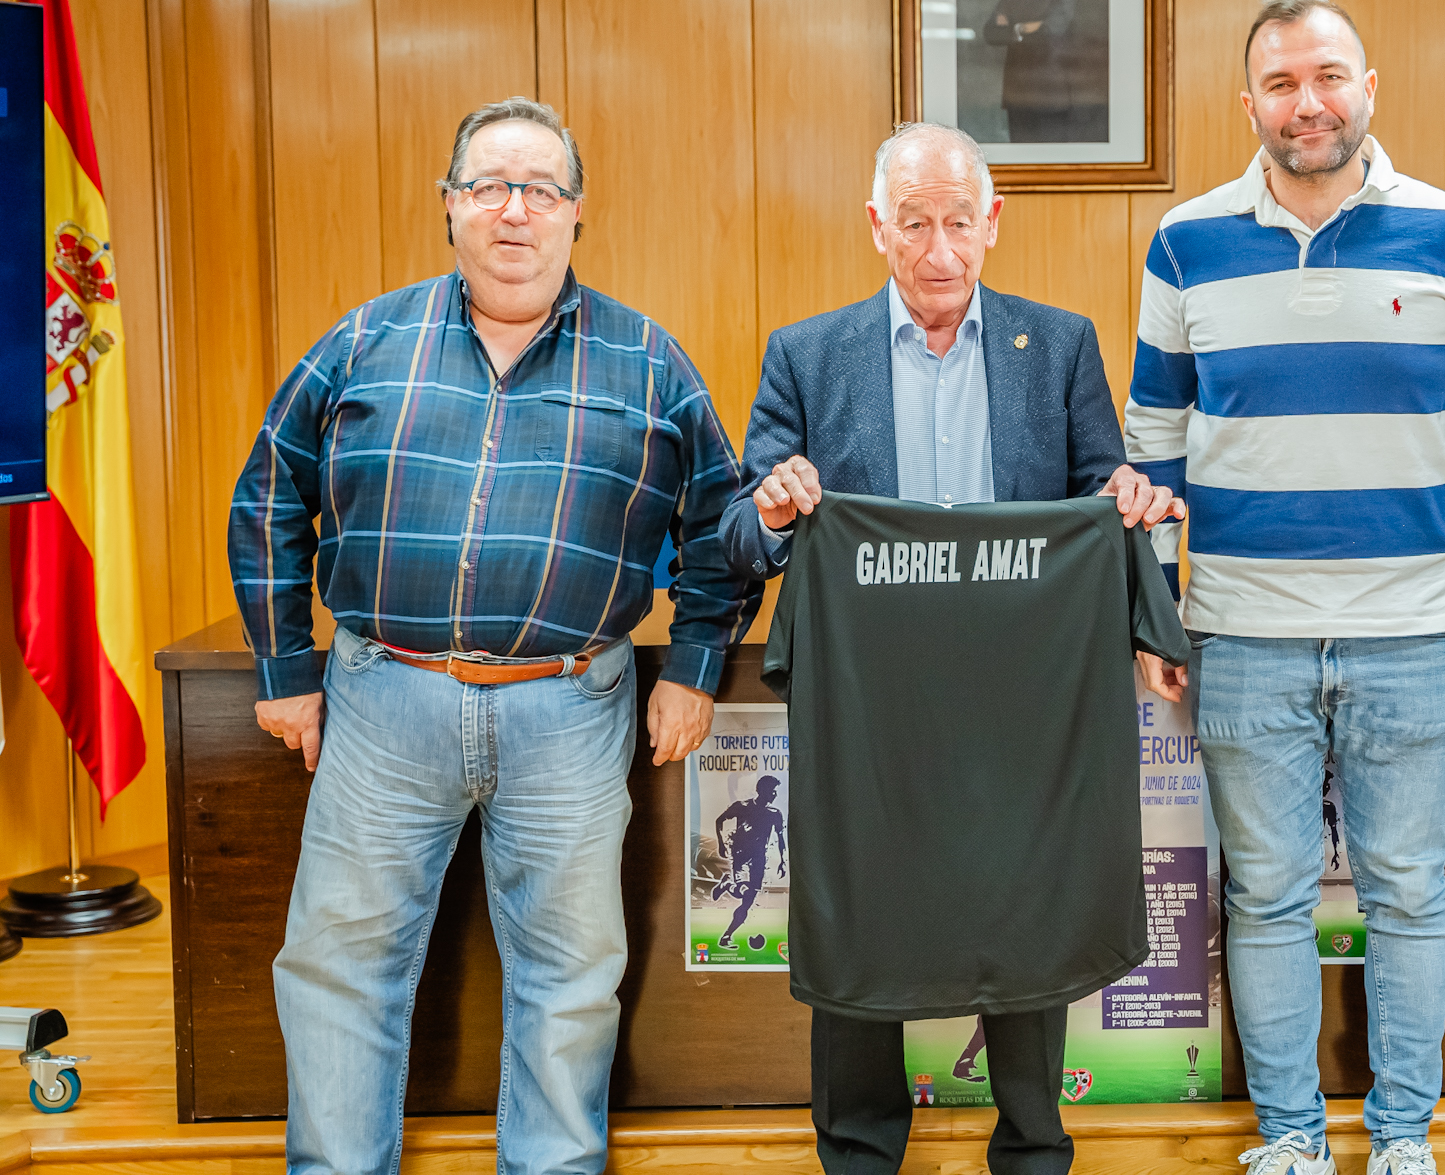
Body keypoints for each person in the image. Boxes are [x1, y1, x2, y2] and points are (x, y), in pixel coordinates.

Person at [228, 96, 760, 1175]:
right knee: (338, 968)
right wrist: (284, 667)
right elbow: (269, 493)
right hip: (382, 703)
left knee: (570, 978)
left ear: (576, 212)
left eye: (541, 190)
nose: (514, 210)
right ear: (450, 206)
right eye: (488, 187)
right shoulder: (363, 342)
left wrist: (698, 665)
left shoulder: (649, 361)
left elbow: (720, 526)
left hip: (571, 707)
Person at [719, 121, 1180, 1175]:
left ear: (992, 223)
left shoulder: (1058, 345)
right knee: (859, 902)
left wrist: (1135, 523)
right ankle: (857, 1151)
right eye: (915, 223)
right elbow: (739, 534)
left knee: (1028, 899)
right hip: (868, 703)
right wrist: (777, 509)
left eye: (959, 222)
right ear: (877, 226)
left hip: (1021, 700)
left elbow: (1102, 499)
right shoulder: (806, 354)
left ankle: (1034, 1147)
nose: (939, 250)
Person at [1125, 0, 1445, 1175]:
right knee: (1263, 897)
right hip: (1239, 633)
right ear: (1247, 102)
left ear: (1367, 87)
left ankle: (1402, 1139)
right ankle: (1290, 1141)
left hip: (1413, 629)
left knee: (1406, 892)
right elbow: (1152, 444)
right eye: (1282, 83)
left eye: (1328, 76)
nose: (1308, 103)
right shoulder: (1184, 242)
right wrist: (1155, 610)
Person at [981, 0, 1077, 142]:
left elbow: (1053, 30)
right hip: (1017, 92)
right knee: (1019, 153)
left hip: (1050, 92)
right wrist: (1022, 27)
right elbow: (990, 32)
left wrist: (1012, 25)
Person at [713, 775, 787, 949]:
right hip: (741, 855)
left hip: (759, 858)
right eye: (772, 791)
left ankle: (726, 937)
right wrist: (721, 844)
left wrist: (783, 861)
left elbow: (781, 838)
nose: (775, 794)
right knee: (744, 893)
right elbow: (719, 820)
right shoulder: (742, 806)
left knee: (747, 902)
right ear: (762, 790)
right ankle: (728, 884)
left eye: (776, 791)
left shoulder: (775, 814)